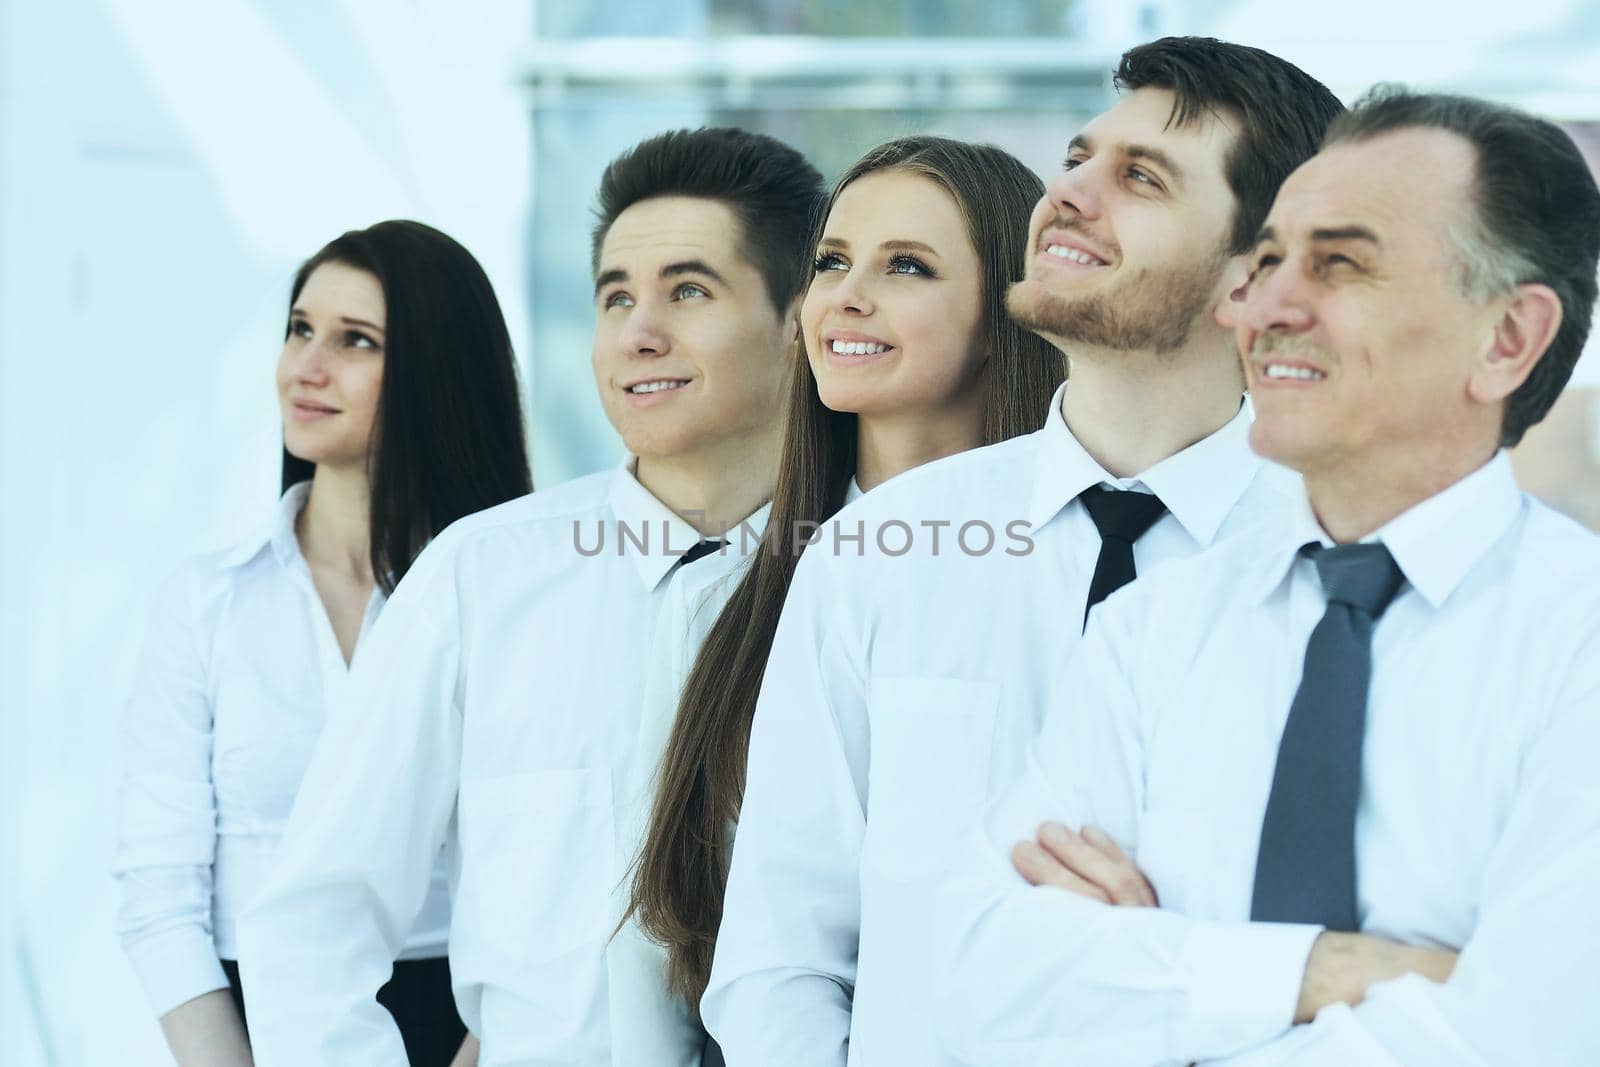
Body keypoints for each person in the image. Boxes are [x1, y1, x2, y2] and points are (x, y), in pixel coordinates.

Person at [703, 38, 1345, 1066]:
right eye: (1080, 159)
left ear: (1255, 270)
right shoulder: (880, 552)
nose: (1070, 194)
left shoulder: (1341, 574)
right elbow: (779, 953)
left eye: (1139, 178)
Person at [932, 87, 1600, 1067]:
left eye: (1339, 263)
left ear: (1505, 339)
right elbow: (980, 982)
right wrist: (1328, 970)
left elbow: (1532, 1032)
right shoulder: (1152, 626)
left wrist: (1157, 977)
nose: (1257, 303)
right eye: (1270, 258)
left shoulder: (1579, 638)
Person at [235, 128, 825, 1066]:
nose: (639, 331)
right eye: (616, 297)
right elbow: (314, 917)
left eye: (689, 290)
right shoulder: (482, 579)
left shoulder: (873, 577)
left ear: (800, 322)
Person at [626, 135, 1062, 1031]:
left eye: (906, 265)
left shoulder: (1076, 574)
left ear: (1003, 317)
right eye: (832, 261)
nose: (848, 296)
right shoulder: (720, 595)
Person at [114, 220, 532, 1067]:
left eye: (356, 341)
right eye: (301, 329)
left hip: (468, 1022)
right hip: (245, 1024)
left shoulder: (506, 597)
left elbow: (542, 871)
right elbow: (158, 891)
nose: (308, 366)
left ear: (434, 371)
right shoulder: (205, 602)